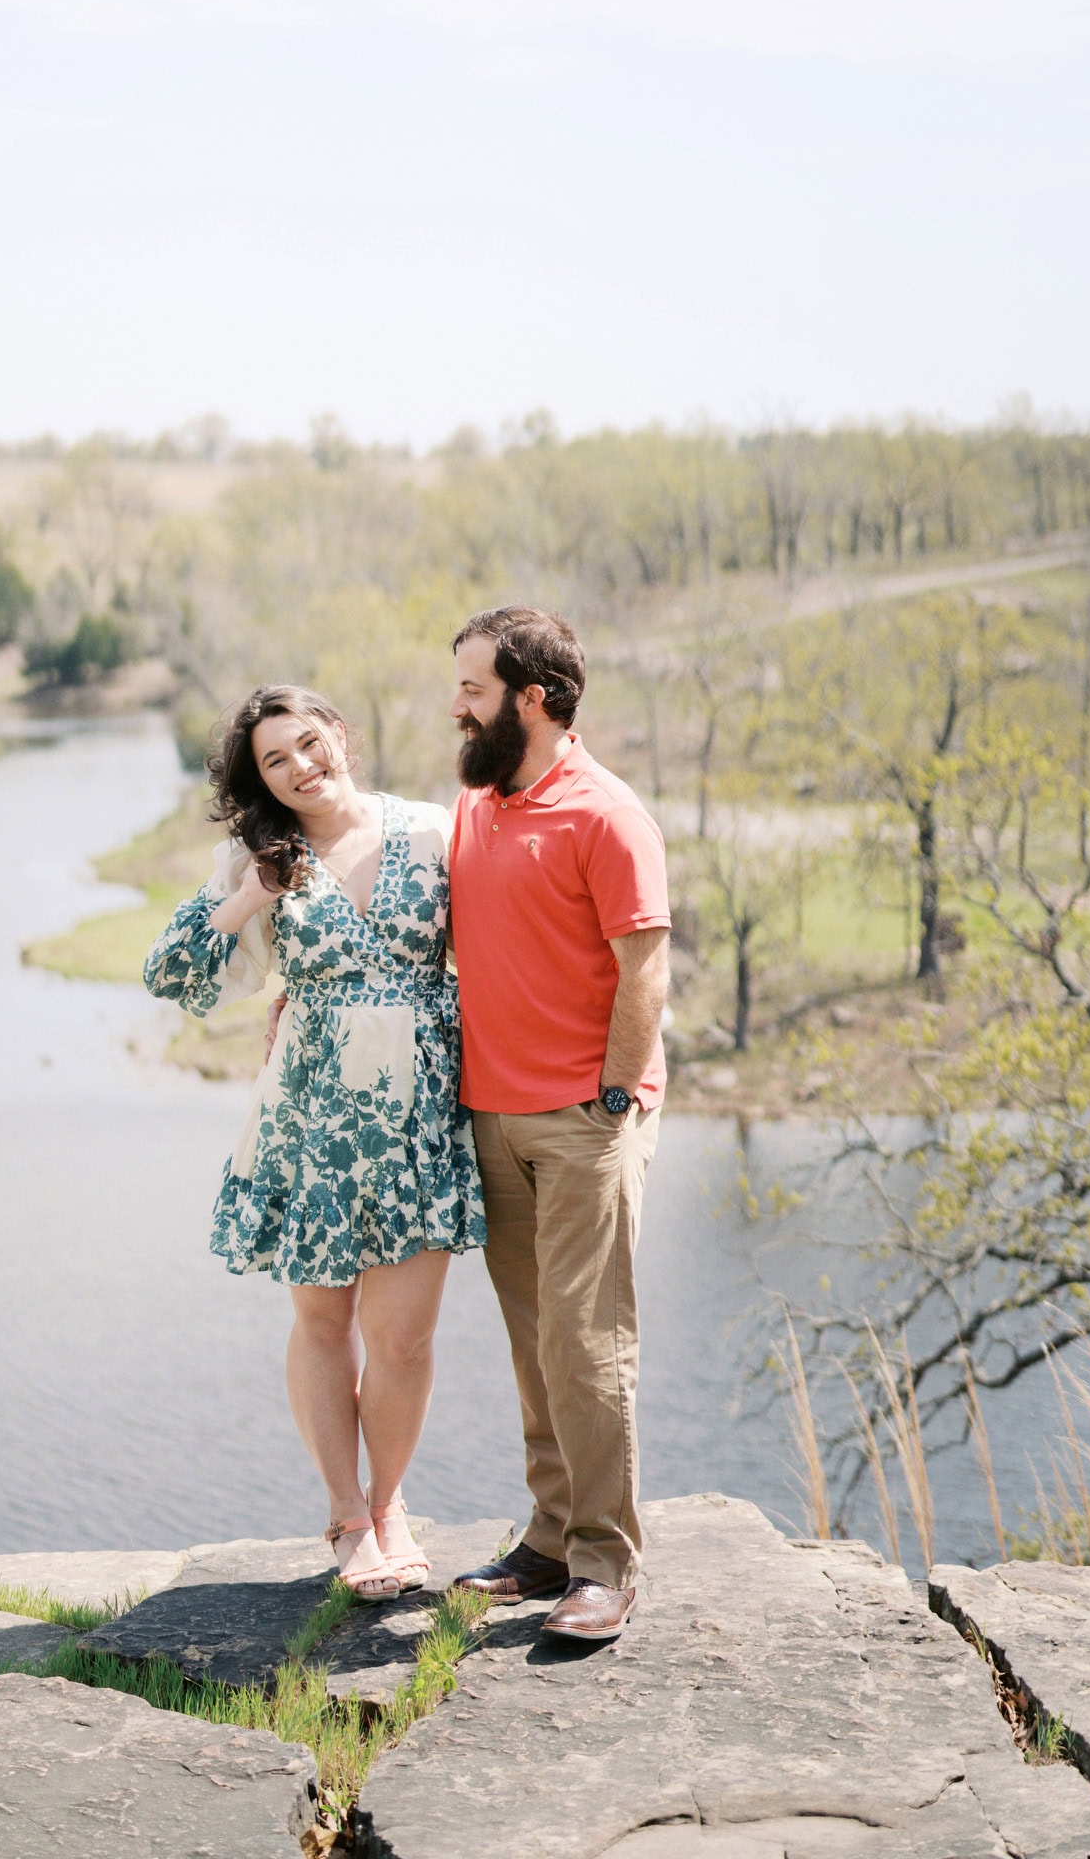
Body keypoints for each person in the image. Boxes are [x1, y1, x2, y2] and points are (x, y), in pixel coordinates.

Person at [143, 684, 485, 1602]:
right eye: (274, 760)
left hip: (419, 1118)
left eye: (307, 742)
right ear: (261, 782)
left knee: (403, 1338)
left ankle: (391, 1502)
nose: (300, 766)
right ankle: (347, 1516)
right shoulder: (260, 858)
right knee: (325, 1322)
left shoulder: (433, 830)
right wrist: (247, 897)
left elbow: (495, 948)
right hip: (311, 1124)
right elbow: (171, 975)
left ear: (339, 733)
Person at [446, 605, 671, 1641]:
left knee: (587, 1343)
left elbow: (645, 966)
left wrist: (613, 1096)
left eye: (473, 689)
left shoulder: (606, 814)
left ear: (530, 698)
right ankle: (547, 1538)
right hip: (492, 1117)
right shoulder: (475, 805)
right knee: (535, 1340)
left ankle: (604, 1563)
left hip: (584, 1121)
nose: (458, 706)